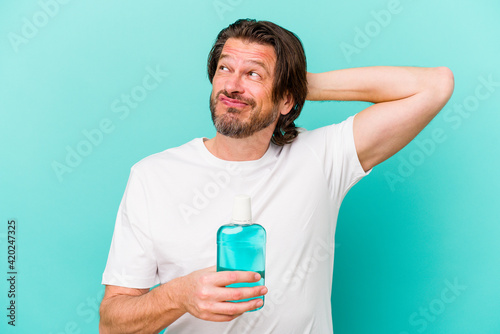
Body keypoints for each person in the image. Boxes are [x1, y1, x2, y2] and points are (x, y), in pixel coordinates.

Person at [99, 19, 454, 334]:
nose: (232, 86)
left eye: (253, 74)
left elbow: (435, 85)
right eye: (225, 69)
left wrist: (302, 84)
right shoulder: (153, 176)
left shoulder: (321, 158)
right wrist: (178, 296)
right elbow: (112, 324)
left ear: (286, 100)